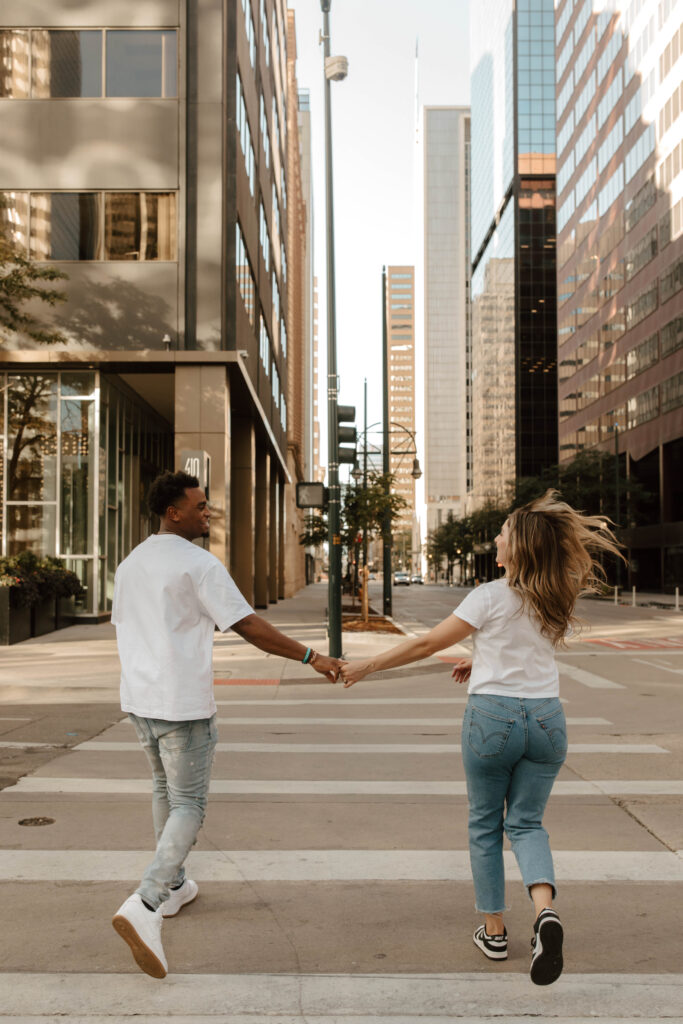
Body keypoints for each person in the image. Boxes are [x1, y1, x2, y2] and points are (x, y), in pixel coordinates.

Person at [340, 491, 623, 986]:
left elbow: (430, 643)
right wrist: (482, 655)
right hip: (548, 720)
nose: (497, 537)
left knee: (486, 825)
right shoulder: (555, 592)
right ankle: (545, 914)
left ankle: (494, 933)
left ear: (518, 548)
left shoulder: (489, 595)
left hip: (494, 719)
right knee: (529, 824)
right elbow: (525, 645)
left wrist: (366, 665)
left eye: (504, 533)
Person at [111, 470, 343, 979]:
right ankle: (146, 902)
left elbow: (125, 626)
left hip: (140, 701)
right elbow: (248, 625)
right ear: (173, 512)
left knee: (163, 791)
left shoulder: (131, 562)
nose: (207, 511)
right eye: (199, 505)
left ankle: (173, 888)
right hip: (182, 703)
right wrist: (313, 656)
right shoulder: (197, 563)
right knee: (188, 803)